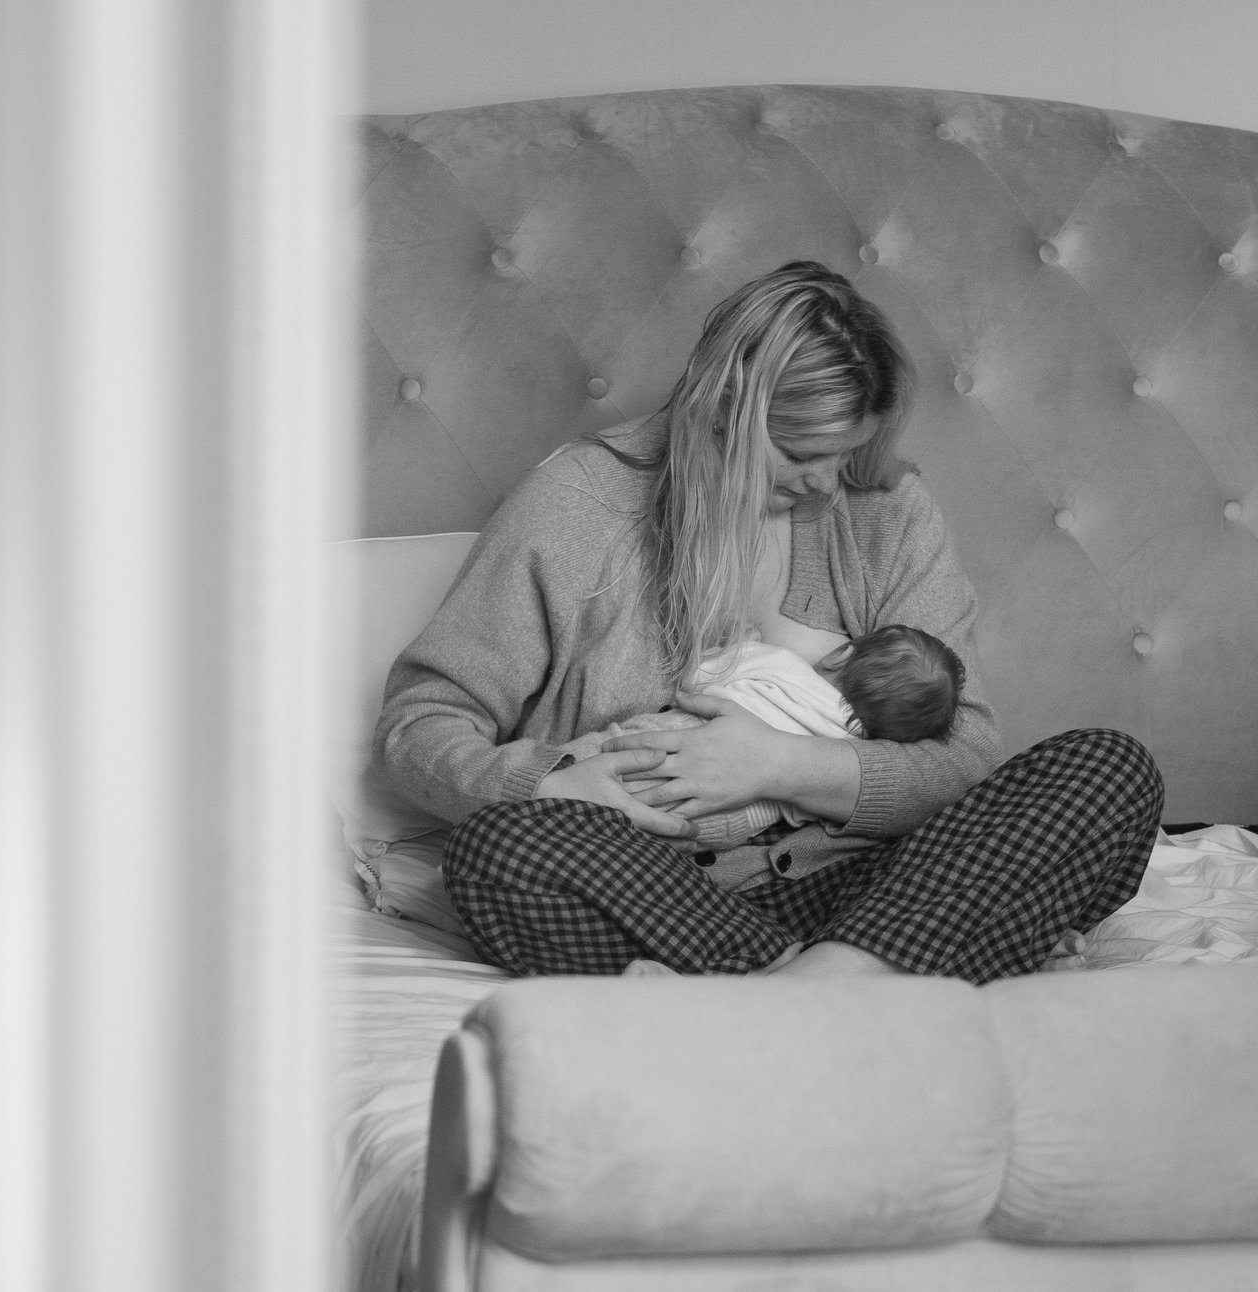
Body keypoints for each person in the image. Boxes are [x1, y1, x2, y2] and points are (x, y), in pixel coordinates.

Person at [372, 260, 1161, 983]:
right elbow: (419, 728)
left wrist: (776, 766)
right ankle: (859, 985)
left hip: (880, 887)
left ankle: (802, 990)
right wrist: (553, 783)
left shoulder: (888, 513)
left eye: (845, 451)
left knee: (1109, 770)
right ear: (722, 414)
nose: (826, 483)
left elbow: (964, 761)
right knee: (495, 853)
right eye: (798, 453)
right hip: (660, 888)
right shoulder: (576, 508)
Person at [560, 625, 965, 861]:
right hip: (730, 819)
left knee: (581, 765)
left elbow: (696, 677)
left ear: (841, 654)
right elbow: (801, 813)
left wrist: (743, 641)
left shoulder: (782, 665)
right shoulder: (848, 752)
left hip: (673, 743)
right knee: (637, 845)